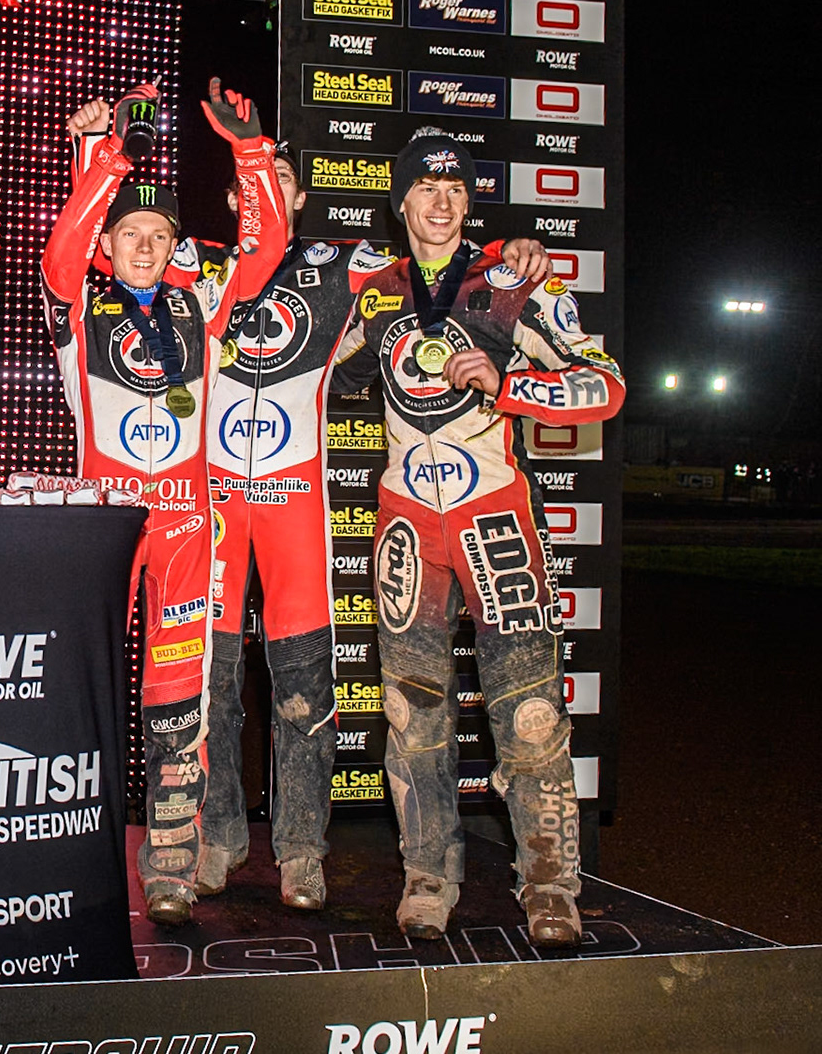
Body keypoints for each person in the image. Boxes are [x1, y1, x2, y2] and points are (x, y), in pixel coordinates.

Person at [173, 148, 548, 912]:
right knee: (209, 688)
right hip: (212, 507)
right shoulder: (197, 264)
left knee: (307, 693)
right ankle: (214, 839)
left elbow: (453, 266)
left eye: (281, 183)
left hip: (304, 504)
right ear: (230, 194)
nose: (269, 195)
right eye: (253, 184)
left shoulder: (350, 264)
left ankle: (304, 852)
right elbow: (121, 266)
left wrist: (518, 251)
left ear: (303, 196)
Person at [329, 128, 624, 946]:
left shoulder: (512, 280)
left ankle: (550, 885)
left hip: (496, 518)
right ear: (401, 201)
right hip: (406, 529)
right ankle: (428, 874)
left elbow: (604, 383)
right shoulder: (376, 291)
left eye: (456, 189)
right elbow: (305, 371)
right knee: (410, 713)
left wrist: (515, 383)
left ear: (469, 201)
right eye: (426, 186)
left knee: (529, 714)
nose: (442, 200)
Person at [40, 79, 287, 925]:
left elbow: (263, 250)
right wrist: (108, 163)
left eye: (159, 235)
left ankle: (172, 861)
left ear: (175, 245)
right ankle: (69, 854)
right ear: (109, 242)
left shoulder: (198, 302)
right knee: (79, 694)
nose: (144, 247)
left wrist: (251, 153)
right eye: (130, 234)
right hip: (105, 532)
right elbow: (58, 255)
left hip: (186, 527)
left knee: (181, 695)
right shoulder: (78, 300)